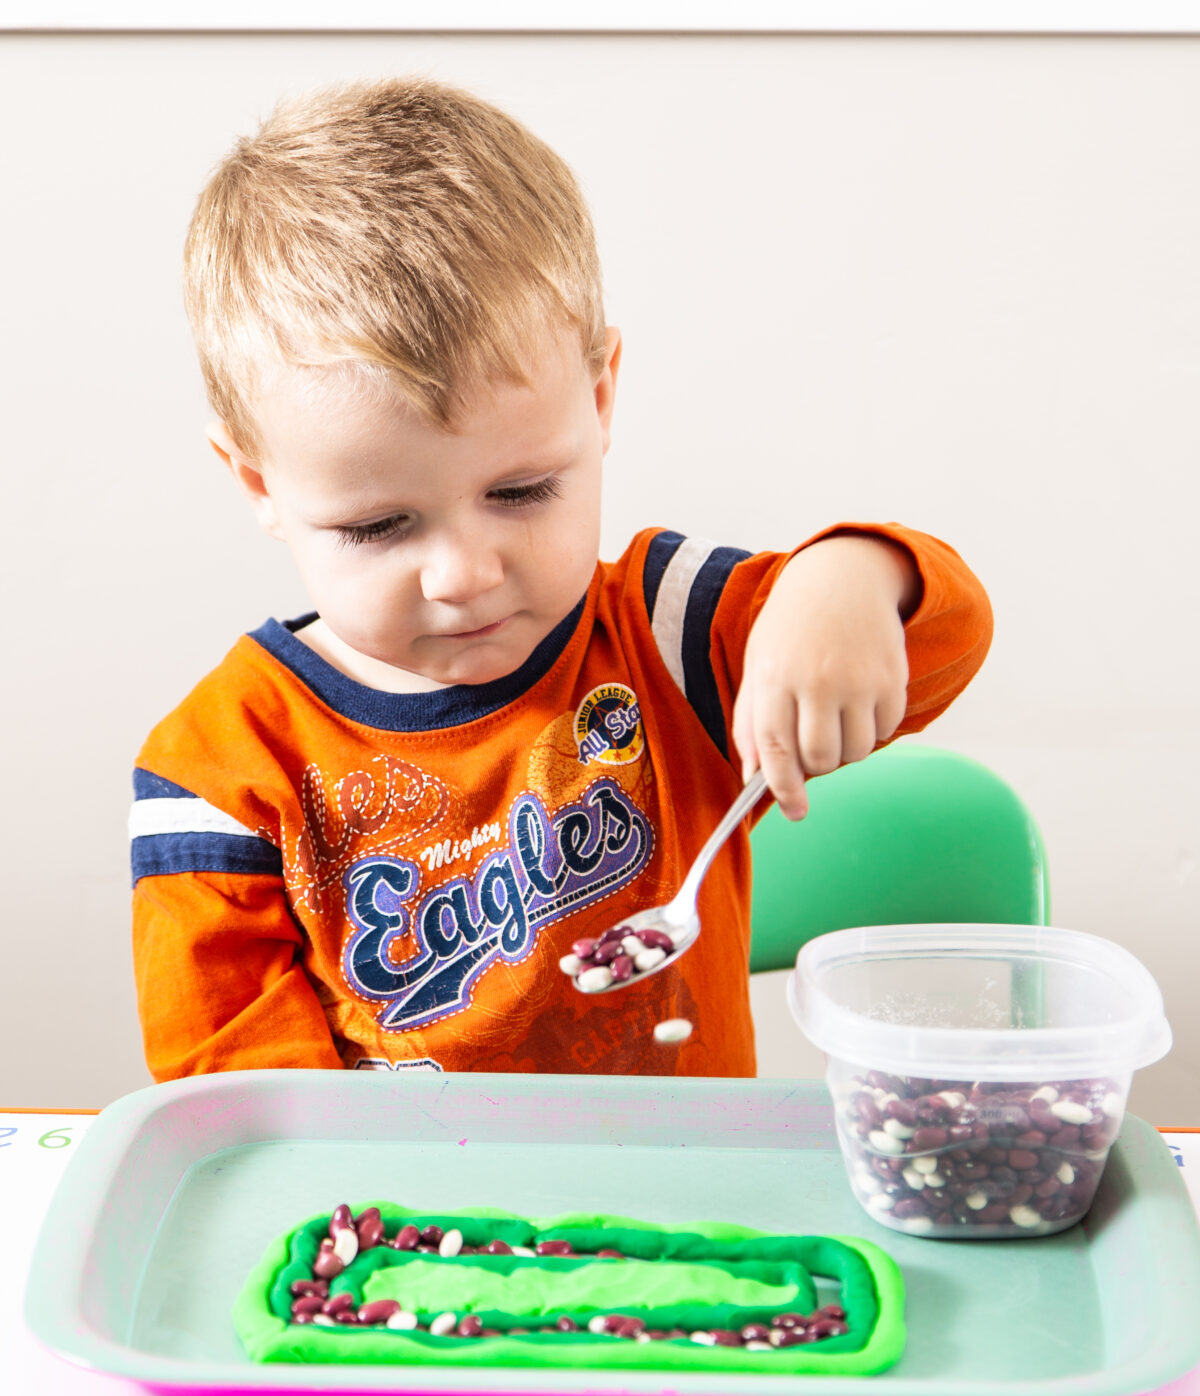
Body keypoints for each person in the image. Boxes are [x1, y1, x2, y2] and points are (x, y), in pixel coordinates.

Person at [132, 77, 992, 1081]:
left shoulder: (670, 633)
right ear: (257, 483)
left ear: (599, 397)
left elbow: (948, 638)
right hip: (404, 1228)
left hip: (693, 1217)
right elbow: (250, 1115)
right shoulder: (219, 780)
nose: (463, 575)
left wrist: (850, 581)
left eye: (523, 491)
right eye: (379, 526)